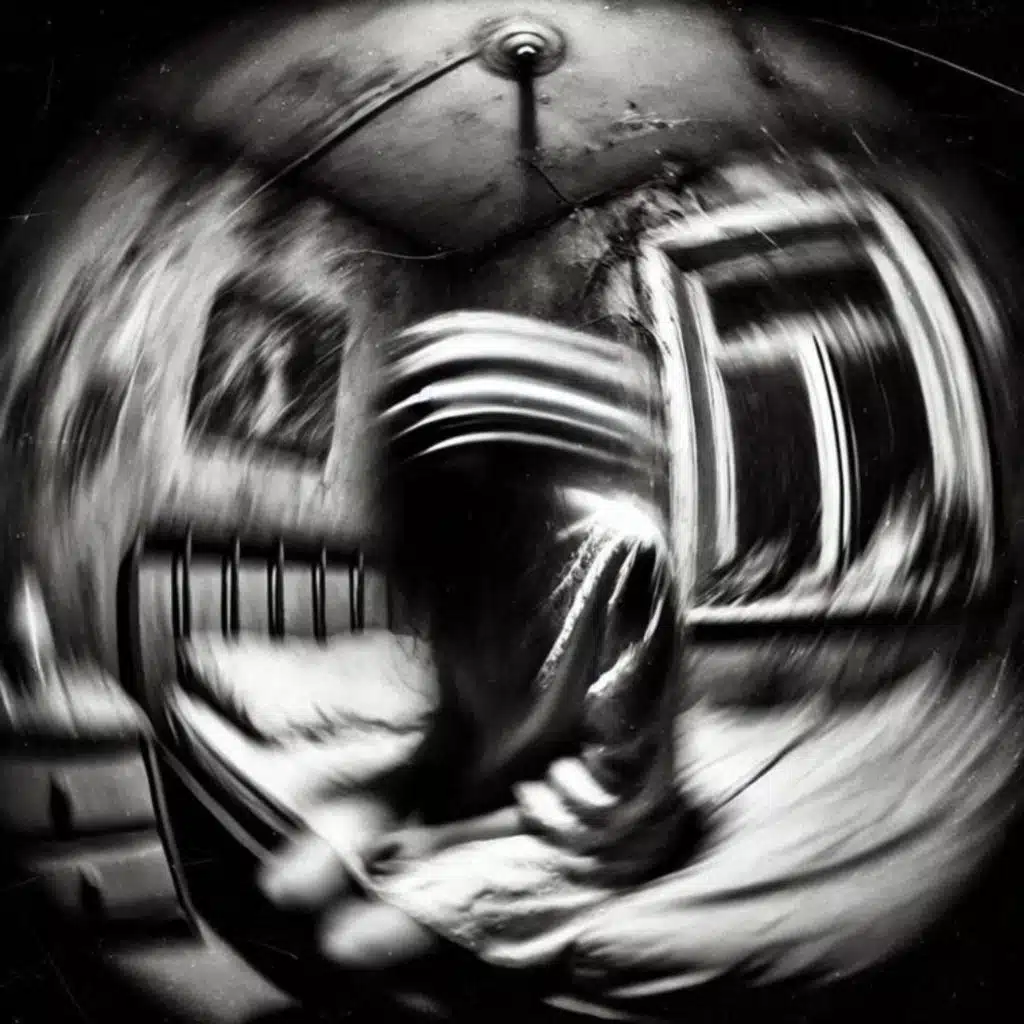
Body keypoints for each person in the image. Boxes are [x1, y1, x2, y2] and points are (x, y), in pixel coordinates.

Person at [256, 311, 704, 972]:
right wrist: (411, 801)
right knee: (290, 888)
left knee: (355, 945)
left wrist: (447, 838)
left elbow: (622, 779)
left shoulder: (625, 552)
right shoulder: (451, 551)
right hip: (494, 790)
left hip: (596, 820)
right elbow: (458, 725)